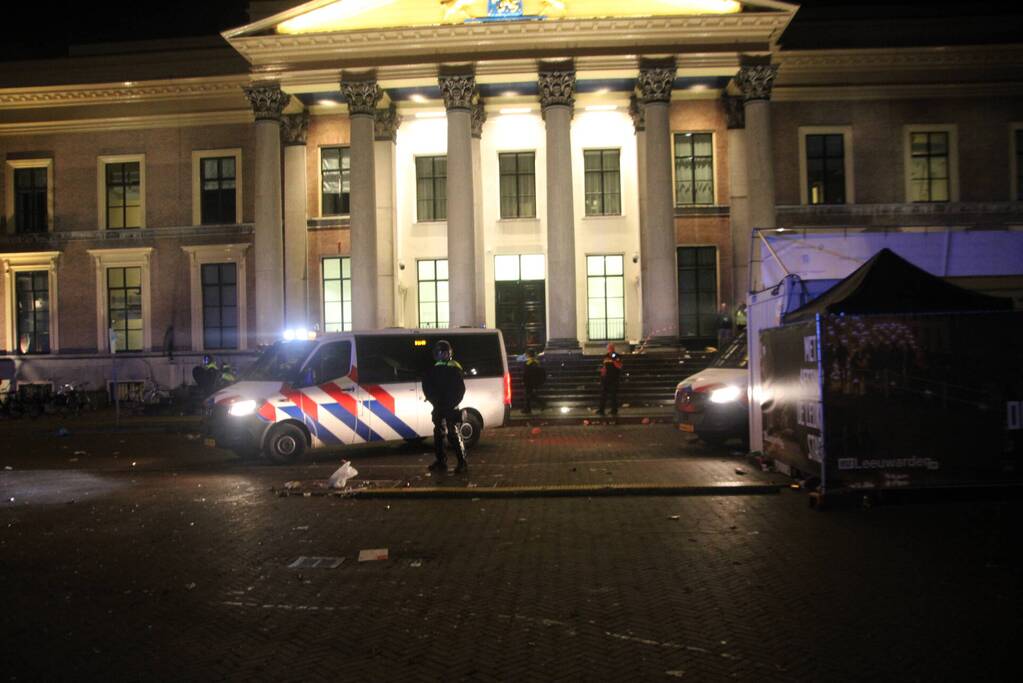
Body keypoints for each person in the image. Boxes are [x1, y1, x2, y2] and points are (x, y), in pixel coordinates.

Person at [422, 339, 468, 474]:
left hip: (450, 407)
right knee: (438, 434)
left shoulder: (454, 368)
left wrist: (451, 403)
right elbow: (427, 387)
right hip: (438, 406)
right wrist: (434, 401)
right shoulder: (433, 369)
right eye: (439, 352)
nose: (441, 355)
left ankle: (462, 462)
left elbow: (460, 390)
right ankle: (441, 461)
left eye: (443, 352)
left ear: (449, 353)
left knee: (453, 434)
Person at [597, 342, 623, 417]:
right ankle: (601, 410)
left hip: (614, 378)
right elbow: (604, 366)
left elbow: (620, 366)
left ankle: (614, 411)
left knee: (613, 395)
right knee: (603, 395)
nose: (610, 349)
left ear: (613, 348)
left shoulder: (617, 356)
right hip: (605, 379)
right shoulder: (605, 356)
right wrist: (602, 372)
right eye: (608, 348)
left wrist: (613, 359)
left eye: (611, 348)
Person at [522, 348, 546, 414]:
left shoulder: (528, 363)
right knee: (528, 395)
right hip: (534, 381)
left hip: (529, 382)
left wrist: (524, 381)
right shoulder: (537, 362)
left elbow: (526, 374)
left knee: (529, 395)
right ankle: (527, 409)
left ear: (528, 355)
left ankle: (542, 403)